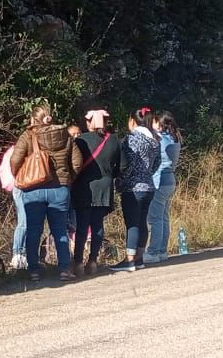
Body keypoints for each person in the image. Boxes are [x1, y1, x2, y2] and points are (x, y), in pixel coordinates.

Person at [11, 104, 84, 282]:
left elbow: (15, 160)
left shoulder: (28, 136)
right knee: (60, 229)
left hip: (33, 189)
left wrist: (20, 176)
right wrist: (67, 179)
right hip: (60, 189)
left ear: (33, 119)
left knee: (34, 230)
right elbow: (77, 162)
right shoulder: (65, 135)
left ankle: (34, 270)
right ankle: (65, 269)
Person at [70, 108, 121, 275]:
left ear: (89, 123)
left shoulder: (81, 141)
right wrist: (109, 174)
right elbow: (123, 166)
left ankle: (78, 262)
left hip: (84, 186)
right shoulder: (114, 141)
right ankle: (92, 261)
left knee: (82, 226)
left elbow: (75, 163)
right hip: (105, 187)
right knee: (98, 225)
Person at [112, 107, 160, 272]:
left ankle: (130, 259)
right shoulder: (154, 139)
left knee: (132, 223)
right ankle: (139, 257)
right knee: (142, 222)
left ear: (132, 120)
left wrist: (122, 181)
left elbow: (128, 164)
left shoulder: (131, 139)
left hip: (133, 187)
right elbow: (157, 163)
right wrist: (147, 174)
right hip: (149, 186)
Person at [144, 111, 181, 263]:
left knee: (155, 218)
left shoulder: (161, 140)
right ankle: (162, 250)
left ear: (160, 124)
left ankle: (153, 252)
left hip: (159, 180)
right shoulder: (175, 139)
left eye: (154, 122)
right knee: (164, 217)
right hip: (170, 180)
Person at [0, 144, 26, 270]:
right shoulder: (19, 149)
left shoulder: (15, 148)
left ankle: (22, 254)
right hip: (20, 186)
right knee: (24, 222)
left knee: (26, 222)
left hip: (20, 185)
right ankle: (17, 254)